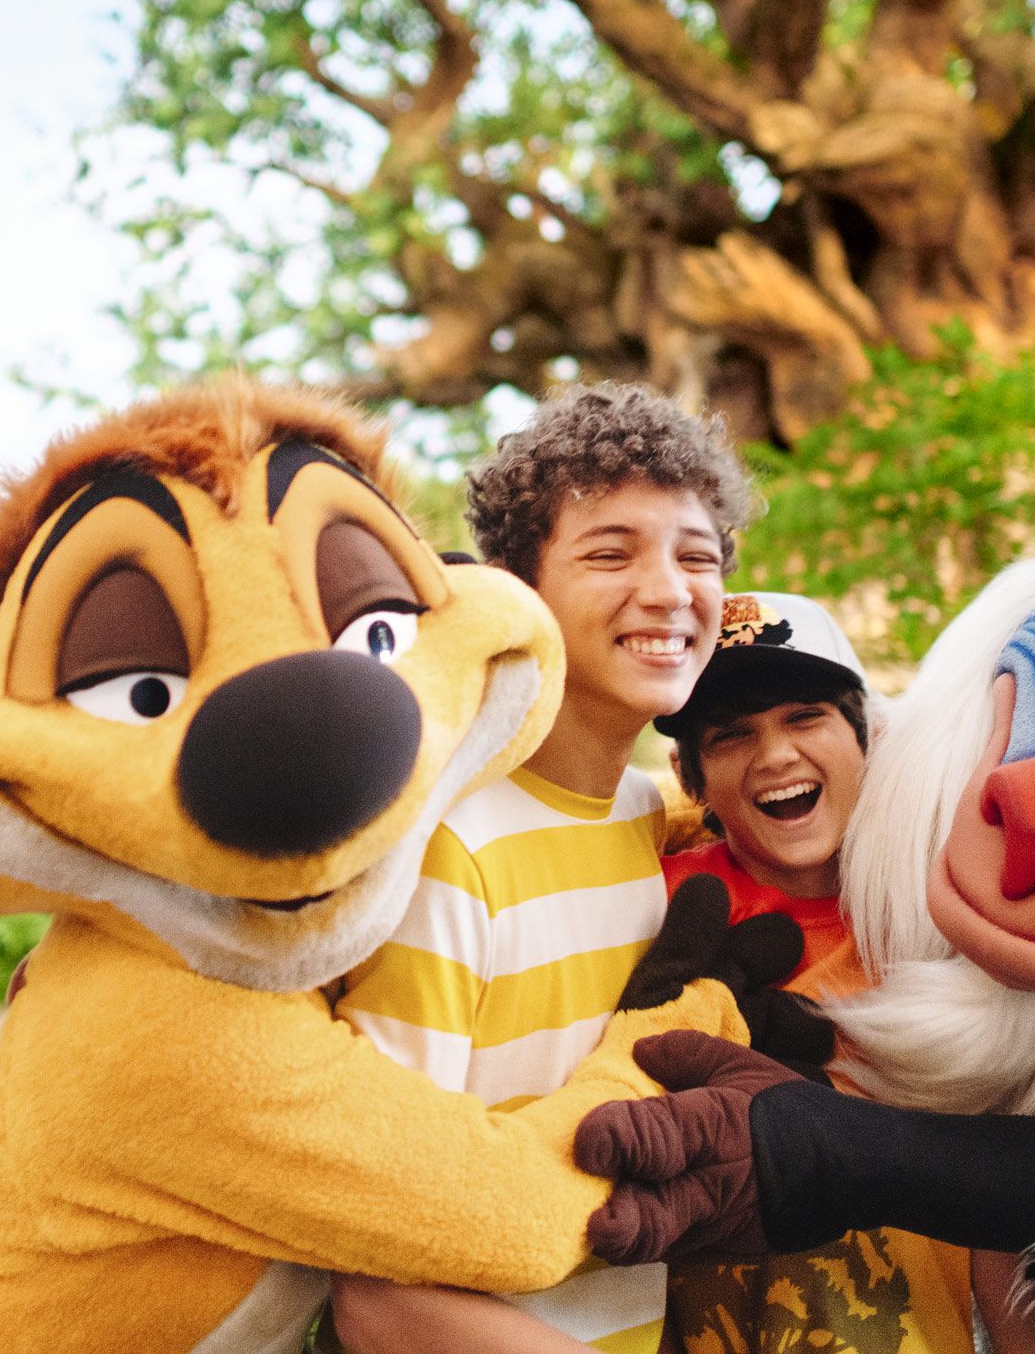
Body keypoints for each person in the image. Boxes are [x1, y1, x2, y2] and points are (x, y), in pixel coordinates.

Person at [330, 382, 758, 1354]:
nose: (667, 588)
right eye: (609, 551)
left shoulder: (659, 825)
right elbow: (373, 1282)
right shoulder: (446, 849)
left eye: (696, 555)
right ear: (516, 594)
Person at [655, 591, 991, 1354]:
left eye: (804, 716)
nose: (775, 754)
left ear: (867, 732)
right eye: (733, 734)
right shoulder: (654, 902)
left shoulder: (946, 907)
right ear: (691, 775)